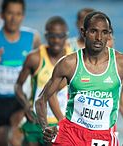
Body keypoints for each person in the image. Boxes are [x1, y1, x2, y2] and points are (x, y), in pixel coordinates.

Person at [36, 11, 123, 146]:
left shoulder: (121, 63)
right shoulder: (69, 63)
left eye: (105, 32)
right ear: (83, 32)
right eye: (94, 31)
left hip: (103, 135)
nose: (99, 37)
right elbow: (42, 99)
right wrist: (44, 127)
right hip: (70, 133)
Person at [0, 0, 40, 145]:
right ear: (2, 15)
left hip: (21, 101)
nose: (14, 18)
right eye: (10, 13)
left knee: (16, 140)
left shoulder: (33, 37)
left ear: (23, 16)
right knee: (1, 143)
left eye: (18, 14)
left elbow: (41, 69)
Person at [68, 8, 123, 130]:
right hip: (75, 117)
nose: (100, 38)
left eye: (107, 36)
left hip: (102, 124)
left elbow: (120, 92)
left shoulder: (115, 62)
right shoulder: (68, 49)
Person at [15, 16, 72, 146]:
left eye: (60, 36)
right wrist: (25, 105)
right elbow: (17, 86)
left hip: (61, 122)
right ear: (46, 36)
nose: (56, 40)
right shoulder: (34, 58)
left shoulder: (73, 58)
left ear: (66, 36)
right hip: (36, 120)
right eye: (52, 36)